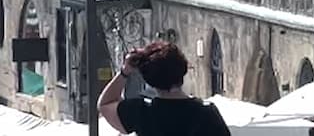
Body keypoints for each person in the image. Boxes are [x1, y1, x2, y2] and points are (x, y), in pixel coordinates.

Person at [98, 41, 230, 136]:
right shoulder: (207, 114)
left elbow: (105, 104)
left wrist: (125, 72)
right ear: (182, 70)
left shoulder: (141, 112)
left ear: (150, 80)